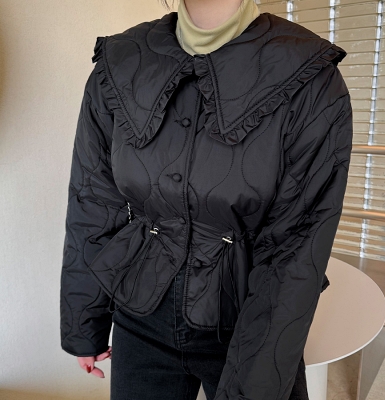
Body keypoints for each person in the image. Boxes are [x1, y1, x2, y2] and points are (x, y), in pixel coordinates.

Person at [59, 0, 353, 399]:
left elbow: (297, 247)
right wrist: (84, 321)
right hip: (139, 316)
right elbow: (93, 198)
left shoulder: (310, 76)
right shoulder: (118, 62)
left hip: (248, 322)